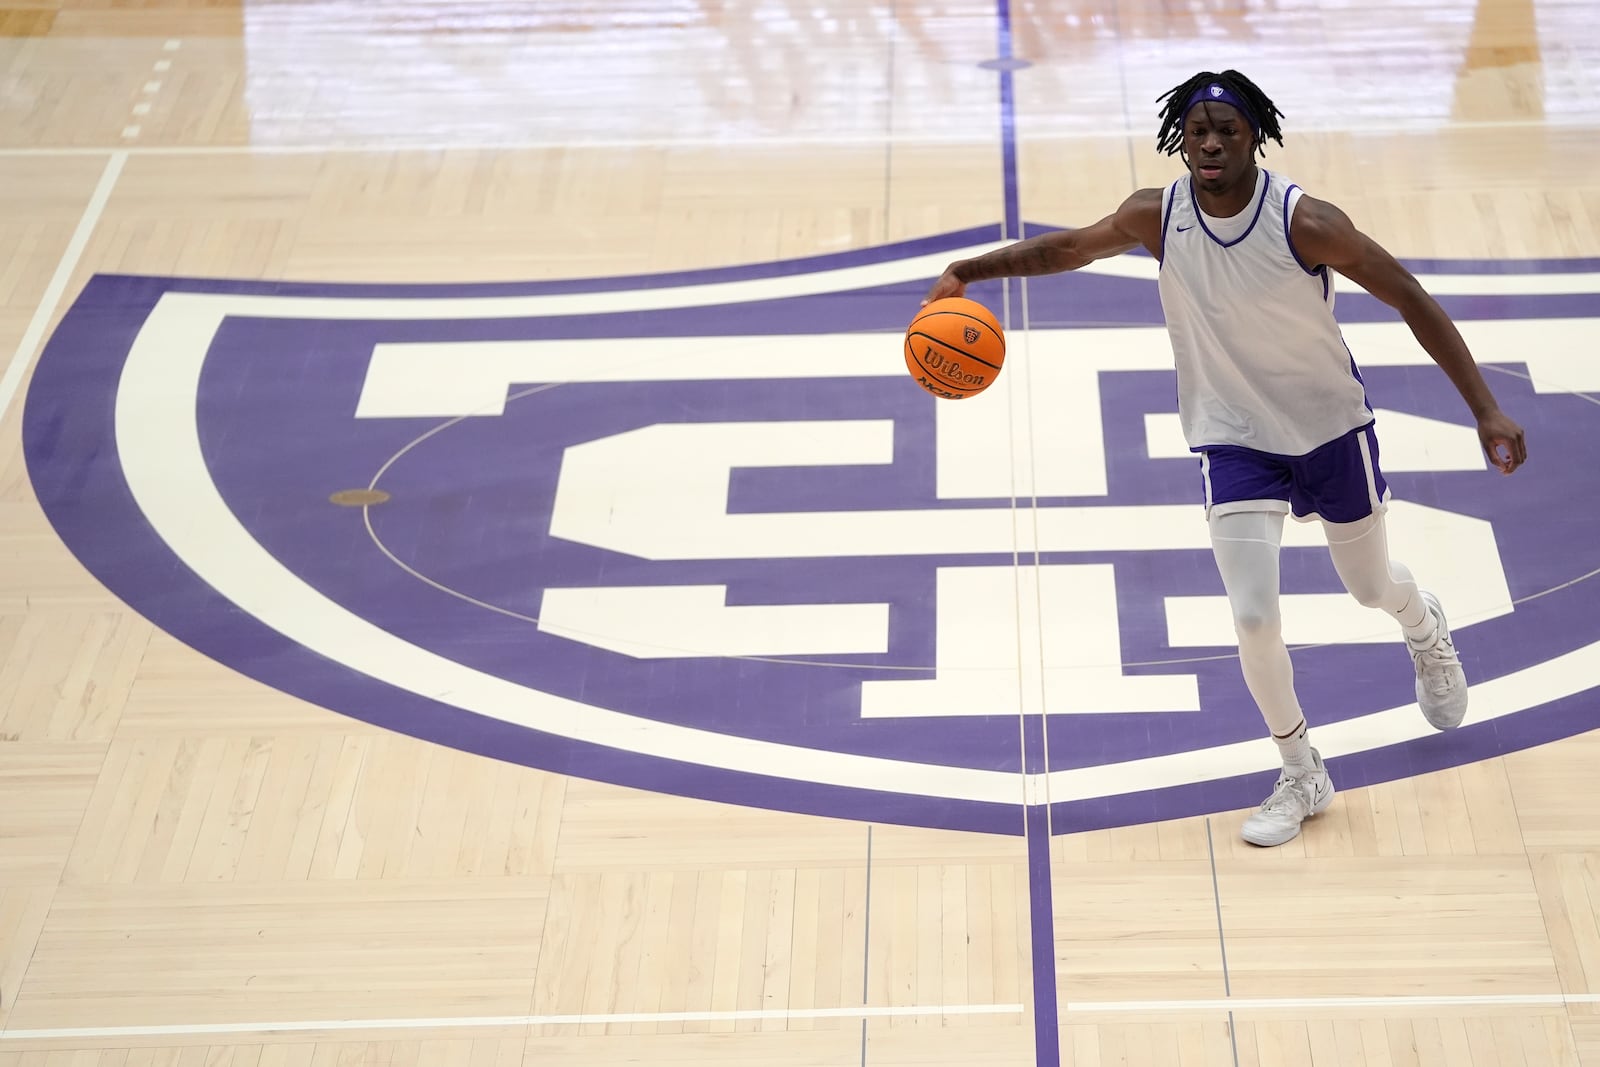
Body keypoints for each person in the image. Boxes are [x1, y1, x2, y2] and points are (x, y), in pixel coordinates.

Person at [922, 70, 1527, 847]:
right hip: (1232, 435)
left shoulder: (1306, 221)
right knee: (1251, 613)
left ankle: (1424, 627)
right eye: (1198, 129)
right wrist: (970, 272)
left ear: (1256, 139)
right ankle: (1302, 768)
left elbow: (1409, 295)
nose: (1210, 143)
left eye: (1227, 131)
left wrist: (1484, 407)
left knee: (1370, 586)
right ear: (1182, 136)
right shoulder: (1155, 214)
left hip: (1328, 429)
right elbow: (1067, 249)